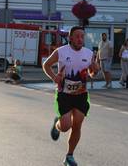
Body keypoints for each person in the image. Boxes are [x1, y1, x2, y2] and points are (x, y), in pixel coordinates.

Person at [42, 26, 100, 166]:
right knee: (66, 126)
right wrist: (54, 77)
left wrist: (95, 71)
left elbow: (92, 72)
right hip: (64, 94)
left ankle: (69, 156)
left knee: (77, 125)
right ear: (71, 38)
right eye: (77, 36)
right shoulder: (61, 52)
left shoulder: (88, 53)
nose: (80, 39)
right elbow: (46, 65)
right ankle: (57, 125)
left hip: (81, 94)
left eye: (82, 36)